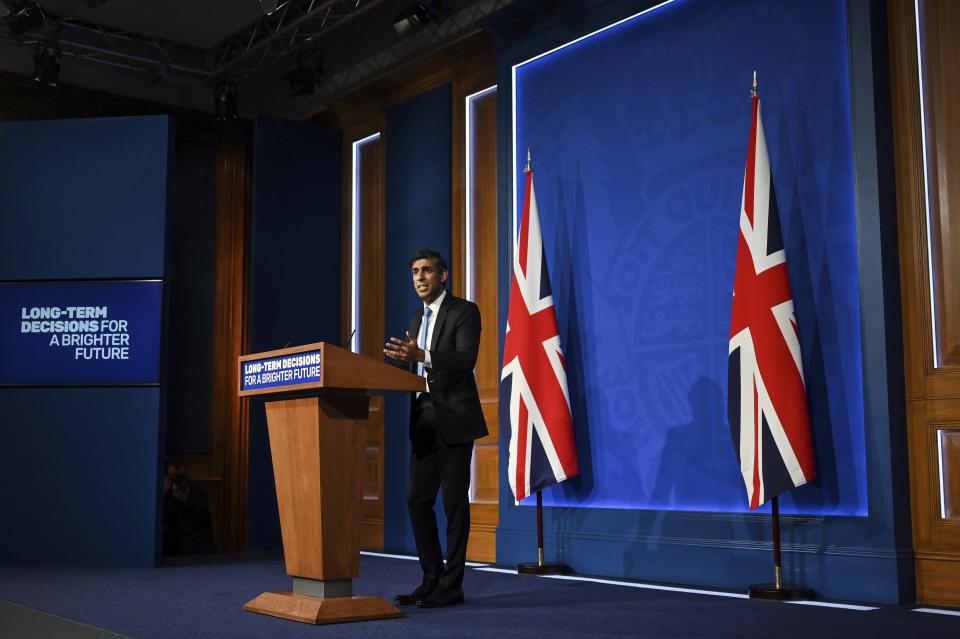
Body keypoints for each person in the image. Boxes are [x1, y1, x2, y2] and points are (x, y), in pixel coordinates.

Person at [384, 249, 488, 608]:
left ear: (443, 275)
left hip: (455, 419)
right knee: (416, 498)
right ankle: (430, 578)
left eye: (427, 270)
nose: (419, 277)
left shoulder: (464, 311)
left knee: (455, 503)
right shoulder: (416, 317)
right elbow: (415, 372)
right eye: (414, 271)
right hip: (424, 421)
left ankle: (452, 585)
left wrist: (422, 356)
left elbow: (464, 359)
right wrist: (397, 364)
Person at [162, 457, 216, 556]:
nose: (178, 481)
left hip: (198, 543)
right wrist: (164, 493)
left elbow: (205, 518)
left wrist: (186, 499)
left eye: (180, 477)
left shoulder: (197, 489)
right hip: (175, 544)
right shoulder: (166, 493)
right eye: (174, 478)